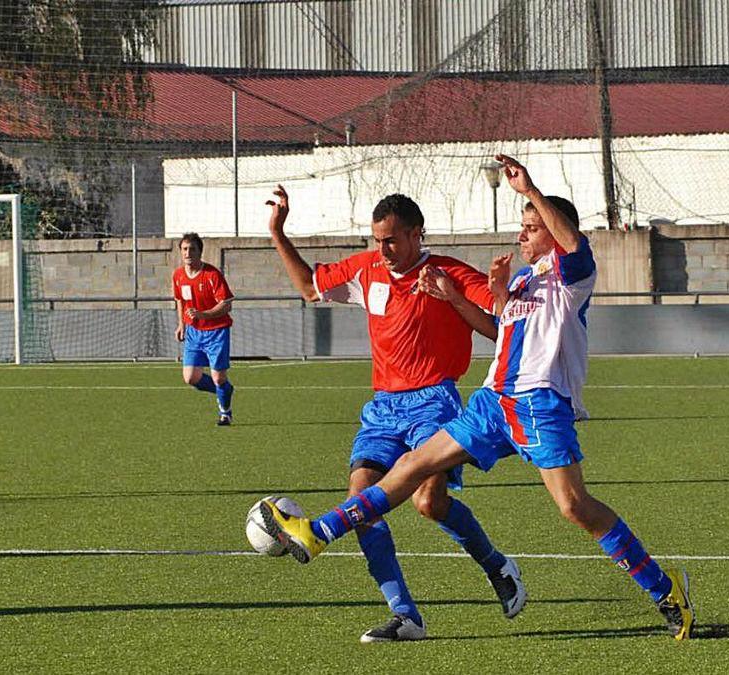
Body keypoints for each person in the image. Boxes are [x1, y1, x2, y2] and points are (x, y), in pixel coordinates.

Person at [259, 156, 696, 641]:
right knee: (414, 467)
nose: (522, 234)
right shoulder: (525, 281)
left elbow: (572, 243)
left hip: (540, 405)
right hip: (493, 402)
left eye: (532, 228)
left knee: (574, 507)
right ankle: (318, 535)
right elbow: (500, 331)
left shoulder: (573, 278)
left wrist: (531, 192)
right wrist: (463, 297)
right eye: (524, 226)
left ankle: (663, 588)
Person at [266, 186, 525, 643]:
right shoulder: (367, 270)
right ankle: (406, 616)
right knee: (362, 499)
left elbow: (501, 322)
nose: (382, 249)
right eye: (377, 240)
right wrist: (277, 233)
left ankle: (497, 567)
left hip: (434, 401)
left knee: (430, 504)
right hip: (383, 408)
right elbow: (310, 287)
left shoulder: (446, 272)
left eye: (391, 240)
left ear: (415, 235)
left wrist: (468, 294)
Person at [173, 232, 236, 425]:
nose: (188, 253)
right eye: (184, 249)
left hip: (217, 331)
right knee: (190, 377)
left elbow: (226, 305)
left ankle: (225, 412)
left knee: (218, 377)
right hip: (193, 332)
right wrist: (181, 324)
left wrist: (204, 314)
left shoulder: (212, 275)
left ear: (200, 252)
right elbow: (180, 301)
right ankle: (224, 389)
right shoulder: (178, 275)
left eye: (192, 249)